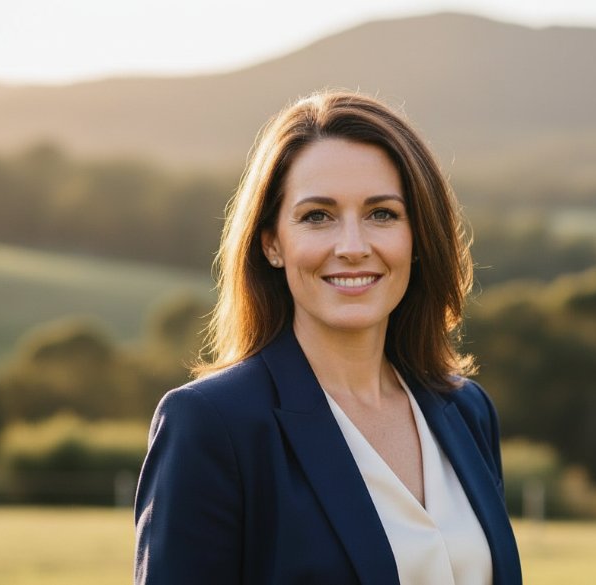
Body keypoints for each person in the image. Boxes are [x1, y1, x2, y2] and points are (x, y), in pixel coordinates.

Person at [134, 90, 522, 585]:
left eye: (382, 214)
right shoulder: (212, 426)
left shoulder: (467, 410)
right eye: (317, 216)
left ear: (418, 236)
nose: (353, 247)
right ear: (272, 242)